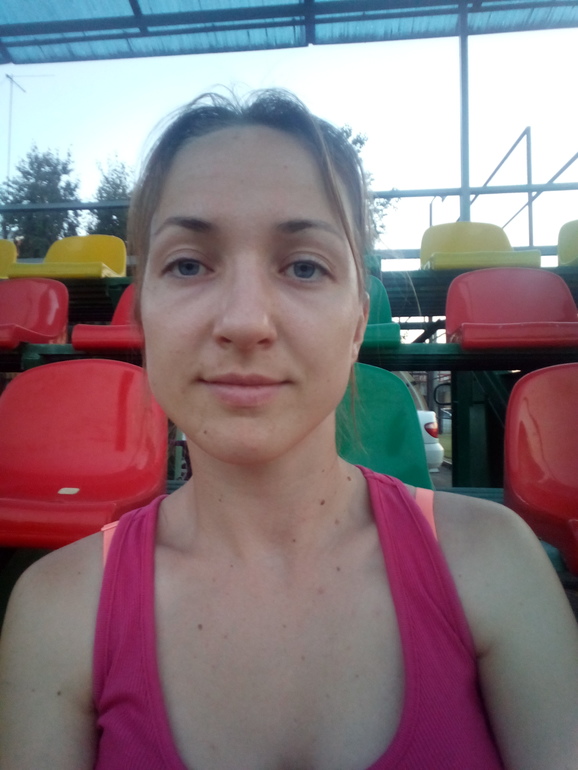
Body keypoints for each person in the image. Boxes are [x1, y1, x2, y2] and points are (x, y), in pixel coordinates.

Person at [0, 89, 577, 770]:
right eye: (188, 264)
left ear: (358, 320)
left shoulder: (495, 564)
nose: (245, 321)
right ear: (144, 312)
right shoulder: (56, 611)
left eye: (305, 266)